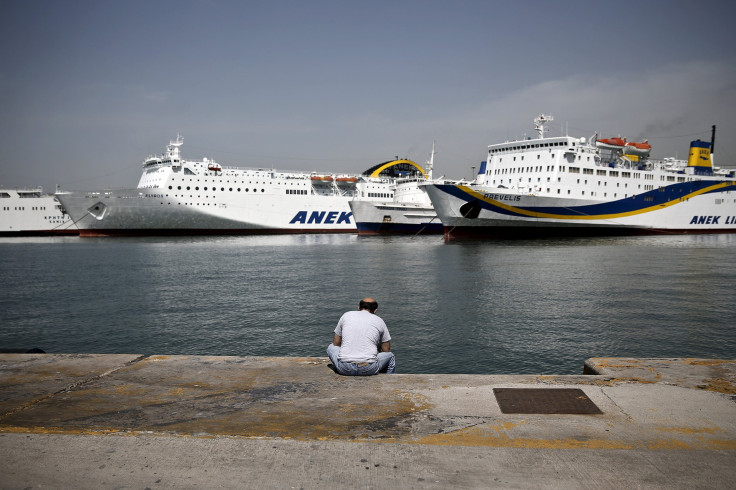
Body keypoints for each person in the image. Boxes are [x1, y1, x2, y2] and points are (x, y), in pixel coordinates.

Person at [326, 297, 395, 375]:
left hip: (344, 368)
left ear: (358, 308)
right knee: (390, 356)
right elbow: (386, 350)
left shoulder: (346, 315)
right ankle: (387, 381)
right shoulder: (379, 320)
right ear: (375, 310)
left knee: (331, 347)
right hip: (368, 368)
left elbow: (336, 343)